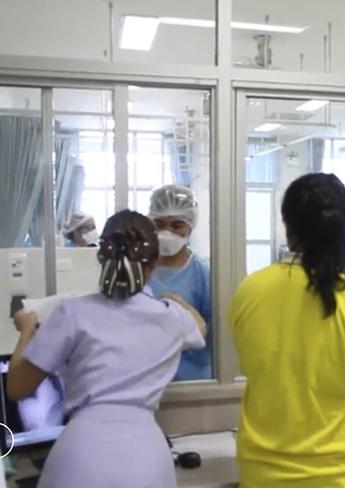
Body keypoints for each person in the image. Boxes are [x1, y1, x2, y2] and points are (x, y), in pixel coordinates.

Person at [229, 173, 345, 488]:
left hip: (265, 476)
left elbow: (253, 366)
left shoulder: (251, 292)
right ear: (344, 228)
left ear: (288, 228)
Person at [7, 210, 206, 488]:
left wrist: (27, 330)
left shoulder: (72, 313)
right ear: (155, 262)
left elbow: (17, 386)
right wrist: (171, 298)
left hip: (81, 457)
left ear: (101, 257)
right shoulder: (171, 318)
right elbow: (200, 326)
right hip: (147, 458)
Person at [148, 185, 212, 381]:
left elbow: (214, 333)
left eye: (176, 225)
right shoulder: (139, 270)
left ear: (190, 226)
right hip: (147, 379)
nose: (167, 233)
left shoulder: (203, 274)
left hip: (192, 379)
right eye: (159, 224)